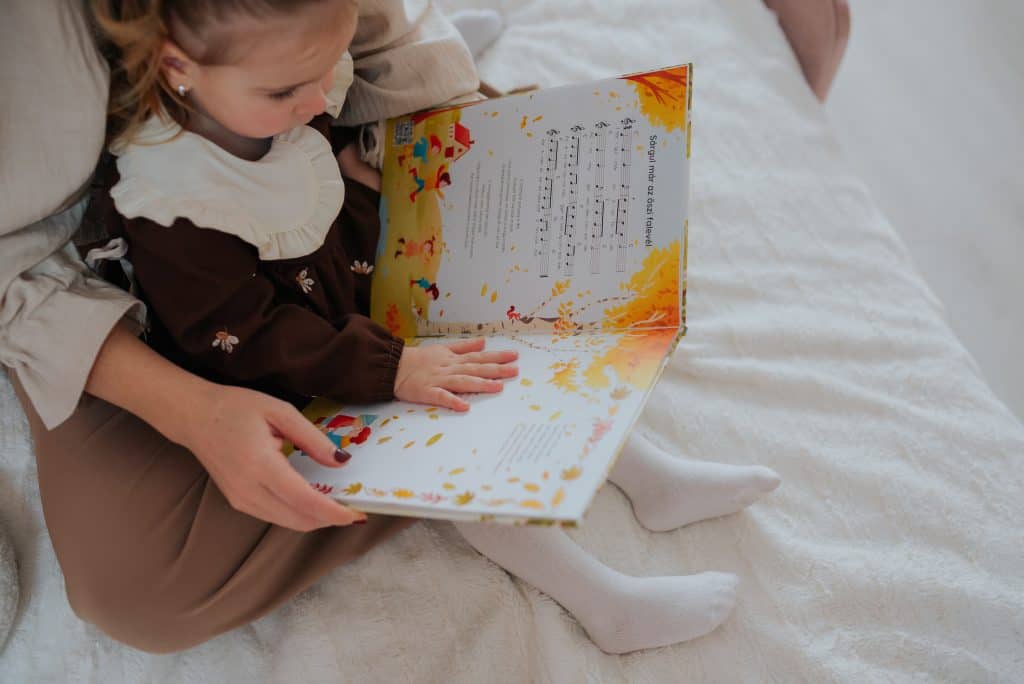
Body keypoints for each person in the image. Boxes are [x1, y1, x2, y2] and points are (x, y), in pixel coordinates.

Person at [2, 0, 781, 655]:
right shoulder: (171, 207)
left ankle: (647, 475)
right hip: (284, 347)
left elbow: (323, 105)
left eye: (327, 71)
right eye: (290, 89)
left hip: (334, 264)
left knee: (483, 315)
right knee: (451, 422)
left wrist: (358, 150)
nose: (317, 100)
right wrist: (388, 369)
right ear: (178, 66)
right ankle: (604, 603)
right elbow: (248, 336)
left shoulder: (271, 82)